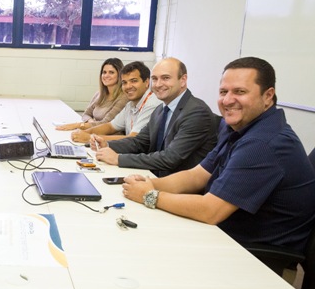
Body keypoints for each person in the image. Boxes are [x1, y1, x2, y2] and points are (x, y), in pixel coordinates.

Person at [122, 57, 315, 252]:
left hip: (252, 250)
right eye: (223, 92)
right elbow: (196, 175)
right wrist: (150, 184)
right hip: (225, 230)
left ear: (268, 96)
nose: (227, 100)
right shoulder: (237, 128)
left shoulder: (264, 143)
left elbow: (210, 210)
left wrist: (149, 195)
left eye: (240, 92)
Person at [90, 57, 218, 177]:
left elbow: (170, 158)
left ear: (183, 80)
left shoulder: (196, 112)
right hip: (155, 176)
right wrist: (107, 144)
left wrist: (118, 159)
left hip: (180, 187)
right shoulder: (161, 110)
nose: (158, 84)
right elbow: (140, 142)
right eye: (155, 79)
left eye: (166, 78)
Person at [70, 61, 160, 143]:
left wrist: (90, 137)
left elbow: (133, 138)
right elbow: (110, 126)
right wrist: (83, 132)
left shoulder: (151, 104)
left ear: (147, 82)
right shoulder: (130, 104)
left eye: (134, 81)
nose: (128, 86)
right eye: (124, 82)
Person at [56, 58, 128, 131]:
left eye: (111, 72)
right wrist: (91, 122)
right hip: (93, 132)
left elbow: (106, 124)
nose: (106, 75)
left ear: (119, 75)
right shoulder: (99, 94)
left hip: (108, 138)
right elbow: (86, 114)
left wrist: (78, 125)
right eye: (104, 72)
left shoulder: (123, 98)